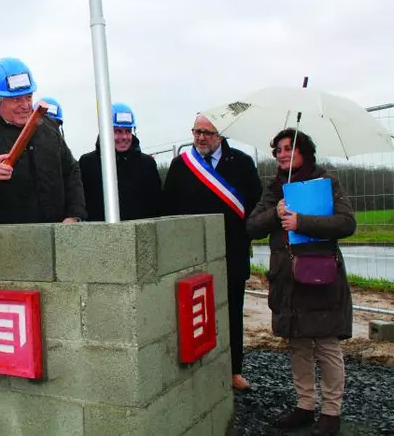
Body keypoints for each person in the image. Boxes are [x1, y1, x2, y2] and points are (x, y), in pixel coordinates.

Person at [246, 129, 354, 436]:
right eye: (277, 150)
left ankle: (332, 412)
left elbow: (347, 223)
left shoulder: (326, 180)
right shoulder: (274, 187)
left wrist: (301, 222)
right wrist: (275, 212)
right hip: (287, 278)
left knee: (327, 344)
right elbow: (252, 225)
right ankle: (305, 405)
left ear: (304, 152)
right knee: (298, 344)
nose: (281, 154)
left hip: (320, 275)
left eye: (288, 148)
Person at [161, 114, 262, 390]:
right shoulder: (181, 165)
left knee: (232, 311)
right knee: (194, 313)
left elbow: (255, 204)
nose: (201, 137)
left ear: (220, 134)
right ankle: (197, 371)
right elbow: (168, 209)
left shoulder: (241, 163)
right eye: (197, 131)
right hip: (191, 255)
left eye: (207, 132)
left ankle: (233, 370)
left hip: (233, 252)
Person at [0, 57, 86, 224]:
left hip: (54, 237)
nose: (25, 105)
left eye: (28, 97)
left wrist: (74, 214)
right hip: (4, 242)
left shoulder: (47, 127)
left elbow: (71, 170)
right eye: (16, 99)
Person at [79, 102, 161, 221]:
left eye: (128, 131)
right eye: (118, 131)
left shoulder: (147, 164)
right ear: (105, 130)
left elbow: (157, 207)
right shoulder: (87, 164)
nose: (124, 137)